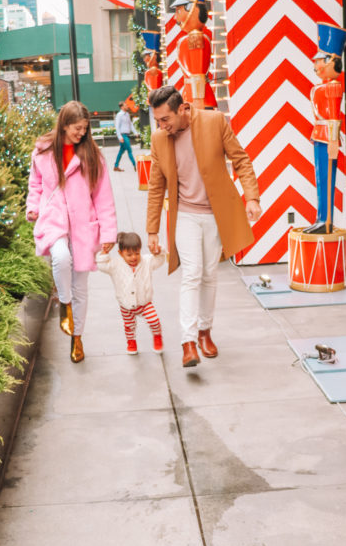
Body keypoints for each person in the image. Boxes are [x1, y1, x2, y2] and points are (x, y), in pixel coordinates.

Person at [146, 85, 261, 368]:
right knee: (192, 273)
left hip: (214, 214)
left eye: (165, 120)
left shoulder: (214, 122)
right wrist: (152, 229)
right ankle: (187, 342)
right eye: (157, 121)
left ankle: (205, 332)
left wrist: (252, 197)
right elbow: (156, 186)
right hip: (184, 214)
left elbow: (241, 160)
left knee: (210, 274)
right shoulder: (160, 139)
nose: (162, 126)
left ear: (183, 109)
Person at [26, 100, 117, 363]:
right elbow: (36, 185)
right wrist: (33, 207)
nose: (82, 133)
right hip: (53, 219)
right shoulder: (43, 152)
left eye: (85, 129)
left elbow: (103, 197)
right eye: (78, 128)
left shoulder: (92, 156)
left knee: (81, 287)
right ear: (64, 125)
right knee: (61, 257)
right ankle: (63, 304)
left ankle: (77, 337)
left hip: (82, 224)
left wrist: (108, 233)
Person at [303, 22, 346, 234]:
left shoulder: (332, 87)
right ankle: (321, 218)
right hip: (319, 135)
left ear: (333, 61)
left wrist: (332, 141)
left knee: (326, 179)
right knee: (320, 179)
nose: (316, 65)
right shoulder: (324, 86)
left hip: (326, 137)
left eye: (320, 60)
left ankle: (326, 220)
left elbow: (332, 117)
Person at [96, 231, 165, 355]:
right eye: (129, 254)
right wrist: (104, 253)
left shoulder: (147, 261)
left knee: (154, 320)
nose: (134, 257)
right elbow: (102, 265)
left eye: (137, 253)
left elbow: (159, 261)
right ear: (120, 253)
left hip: (144, 302)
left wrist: (158, 251)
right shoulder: (115, 265)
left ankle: (157, 336)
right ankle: (131, 342)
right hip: (126, 304)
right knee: (129, 325)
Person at [113, 100, 137, 172]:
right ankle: (135, 165)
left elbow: (131, 124)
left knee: (121, 151)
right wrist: (120, 137)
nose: (127, 106)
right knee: (129, 150)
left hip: (127, 135)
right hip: (123, 136)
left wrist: (135, 132)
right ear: (122, 107)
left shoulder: (127, 114)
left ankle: (116, 166)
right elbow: (117, 127)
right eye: (125, 105)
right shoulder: (119, 115)